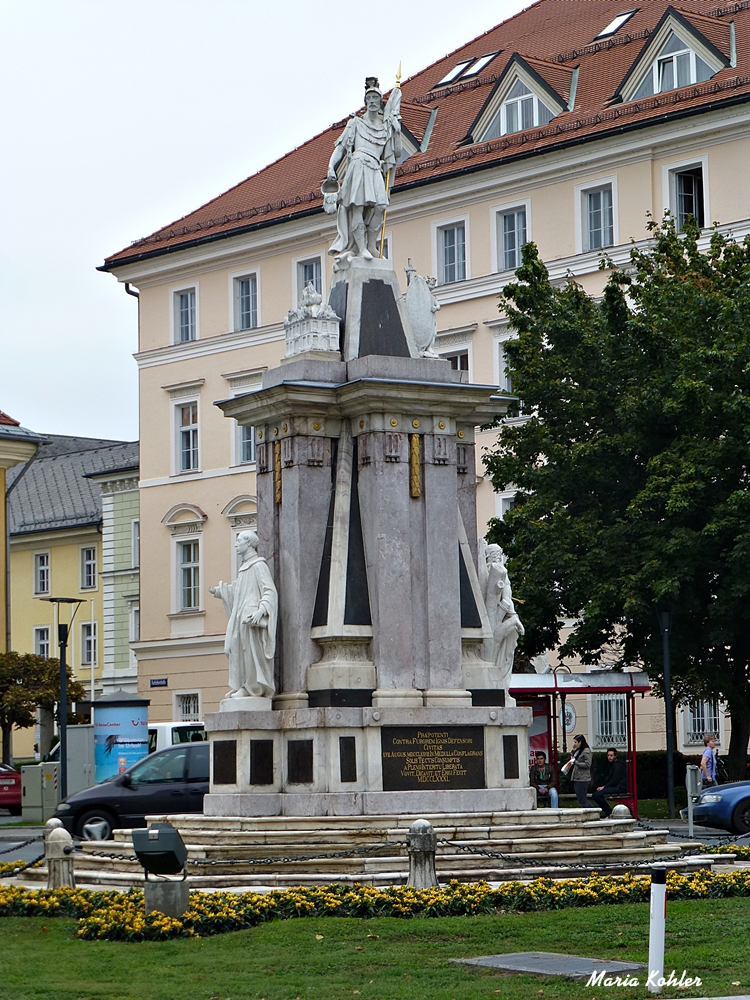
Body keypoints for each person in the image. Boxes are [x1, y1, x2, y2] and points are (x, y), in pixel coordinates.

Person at [327, 77, 402, 259]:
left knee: (381, 206)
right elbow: (341, 147)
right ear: (365, 103)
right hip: (359, 165)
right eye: (369, 100)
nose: (372, 103)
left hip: (375, 167)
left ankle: (371, 245)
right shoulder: (356, 123)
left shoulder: (385, 127)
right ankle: (361, 249)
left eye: (376, 99)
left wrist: (397, 132)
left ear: (380, 102)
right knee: (357, 207)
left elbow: (396, 153)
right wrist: (331, 166)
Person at [210, 530, 278, 700]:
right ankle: (243, 685)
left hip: (251, 618)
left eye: (238, 541)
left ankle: (252, 688)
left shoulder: (258, 565)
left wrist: (260, 611)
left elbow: (270, 592)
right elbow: (238, 591)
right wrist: (222, 591)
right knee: (234, 650)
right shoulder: (244, 568)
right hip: (240, 617)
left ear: (248, 543)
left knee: (250, 653)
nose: (236, 544)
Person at [592, 748, 628, 817]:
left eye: (611, 755)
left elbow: (614, 780)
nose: (609, 757)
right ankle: (608, 812)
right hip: (618, 786)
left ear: (615, 756)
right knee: (597, 794)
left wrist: (604, 787)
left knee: (597, 795)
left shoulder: (617, 765)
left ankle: (609, 812)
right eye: (608, 755)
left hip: (619, 787)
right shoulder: (615, 764)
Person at [567, 734, 594, 808]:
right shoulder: (579, 750)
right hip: (577, 777)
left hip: (583, 778)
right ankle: (591, 810)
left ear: (580, 742)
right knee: (579, 798)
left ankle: (592, 811)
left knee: (582, 798)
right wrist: (573, 751)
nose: (574, 744)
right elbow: (573, 757)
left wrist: (575, 762)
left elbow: (588, 764)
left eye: (576, 742)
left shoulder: (586, 751)